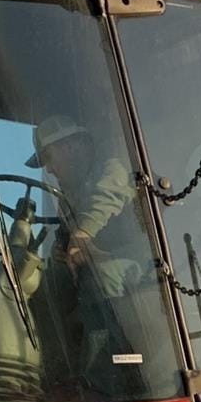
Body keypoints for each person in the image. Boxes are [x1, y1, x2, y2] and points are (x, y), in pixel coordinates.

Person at [27, 115, 149, 303]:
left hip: (142, 259)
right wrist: (59, 251)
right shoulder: (70, 192)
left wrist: (82, 234)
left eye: (48, 158)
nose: (49, 169)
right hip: (97, 263)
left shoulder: (113, 167)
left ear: (68, 147)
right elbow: (67, 233)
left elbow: (108, 197)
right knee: (46, 285)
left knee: (102, 276)